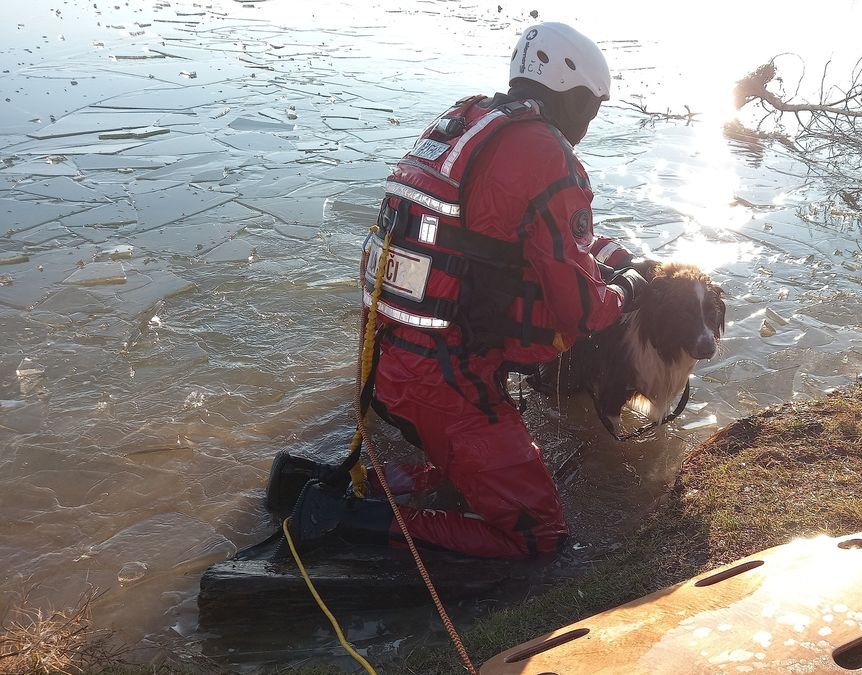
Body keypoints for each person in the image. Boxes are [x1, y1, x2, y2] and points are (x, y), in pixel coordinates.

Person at [265, 22, 649, 559]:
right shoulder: (545, 153)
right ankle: (341, 518)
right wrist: (627, 289)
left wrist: (613, 257)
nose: (588, 125)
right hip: (445, 379)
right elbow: (581, 309)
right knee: (538, 536)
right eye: (592, 108)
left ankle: (323, 481)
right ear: (574, 96)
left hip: (390, 359)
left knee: (471, 466)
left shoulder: (468, 120)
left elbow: (494, 234)